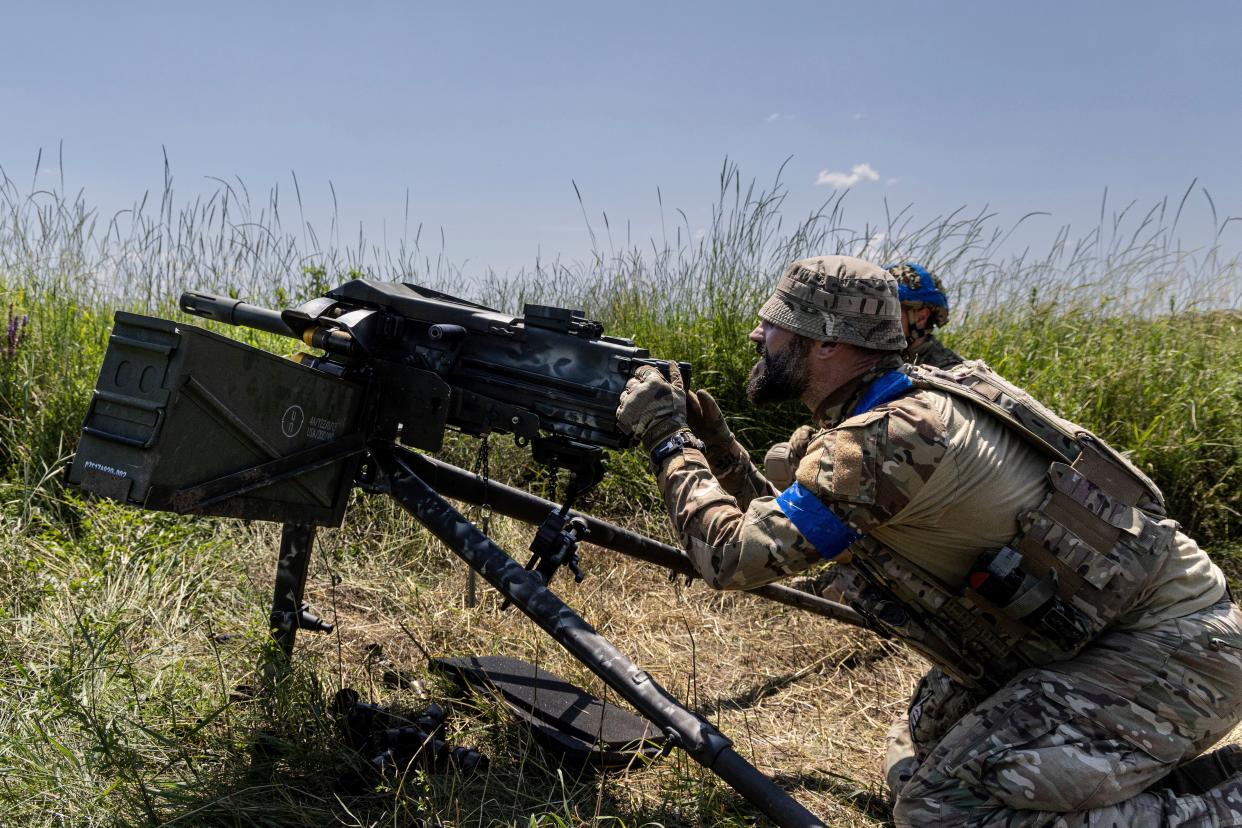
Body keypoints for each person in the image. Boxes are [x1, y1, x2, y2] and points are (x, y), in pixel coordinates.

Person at [615, 254, 1242, 826]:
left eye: (775, 324)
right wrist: (718, 446)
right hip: (1082, 640)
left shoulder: (895, 440)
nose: (758, 336)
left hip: (1175, 649)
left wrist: (668, 439)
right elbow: (781, 526)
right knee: (916, 757)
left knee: (939, 809)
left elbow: (730, 557)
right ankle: (1170, 784)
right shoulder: (896, 412)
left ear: (828, 341)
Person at [764, 261, 960, 493]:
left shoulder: (946, 371)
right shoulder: (880, 358)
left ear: (921, 317)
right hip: (886, 459)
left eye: (890, 310)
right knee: (782, 458)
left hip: (922, 477)